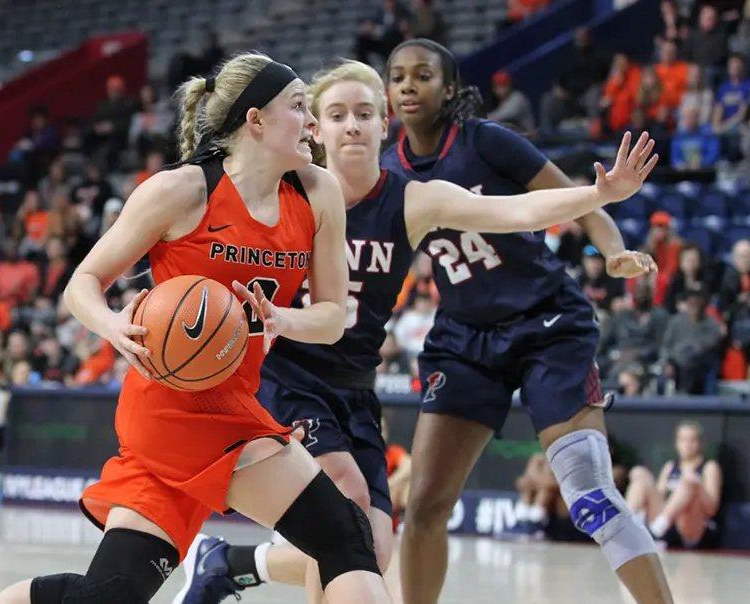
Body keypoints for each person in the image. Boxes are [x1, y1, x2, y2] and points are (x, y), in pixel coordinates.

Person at [172, 59, 659, 604]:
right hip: (288, 376)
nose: (352, 125)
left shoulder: (410, 199)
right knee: (347, 505)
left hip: (353, 387)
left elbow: (515, 211)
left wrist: (597, 196)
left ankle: (229, 563)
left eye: (364, 114)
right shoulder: (288, 190)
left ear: (386, 127)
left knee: (371, 547)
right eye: (337, 114)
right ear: (315, 128)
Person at [0, 52, 394, 604]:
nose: (312, 122)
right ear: (255, 120)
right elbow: (83, 282)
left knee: (108, 597)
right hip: (168, 414)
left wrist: (282, 318)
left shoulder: (317, 193)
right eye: (298, 106)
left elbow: (333, 318)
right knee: (344, 540)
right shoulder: (182, 191)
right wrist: (114, 326)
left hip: (234, 405)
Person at [381, 39, 675, 604]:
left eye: (423, 75)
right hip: (463, 337)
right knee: (422, 508)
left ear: (449, 87)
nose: (408, 85)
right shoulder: (387, 170)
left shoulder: (486, 141)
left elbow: (580, 199)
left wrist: (613, 251)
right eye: (398, 77)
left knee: (591, 497)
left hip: (546, 323)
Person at [625, 420, 723, 550]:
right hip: (667, 525)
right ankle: (625, 528)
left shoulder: (709, 467)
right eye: (683, 440)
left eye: (692, 440)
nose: (687, 445)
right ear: (677, 443)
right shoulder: (670, 467)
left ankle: (659, 527)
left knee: (688, 482)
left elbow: (711, 509)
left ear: (700, 443)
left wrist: (698, 486)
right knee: (640, 473)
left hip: (692, 527)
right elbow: (659, 496)